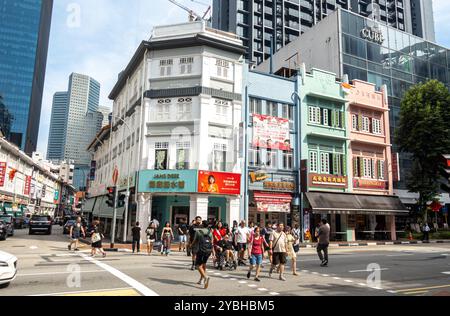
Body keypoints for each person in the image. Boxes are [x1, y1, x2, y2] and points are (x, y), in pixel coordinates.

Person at [191, 220, 214, 289]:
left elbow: (194, 241)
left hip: (201, 250)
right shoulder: (210, 232)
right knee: (204, 264)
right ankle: (201, 279)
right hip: (208, 250)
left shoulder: (199, 231)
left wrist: (190, 245)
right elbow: (212, 242)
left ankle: (205, 277)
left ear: (202, 225)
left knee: (198, 265)